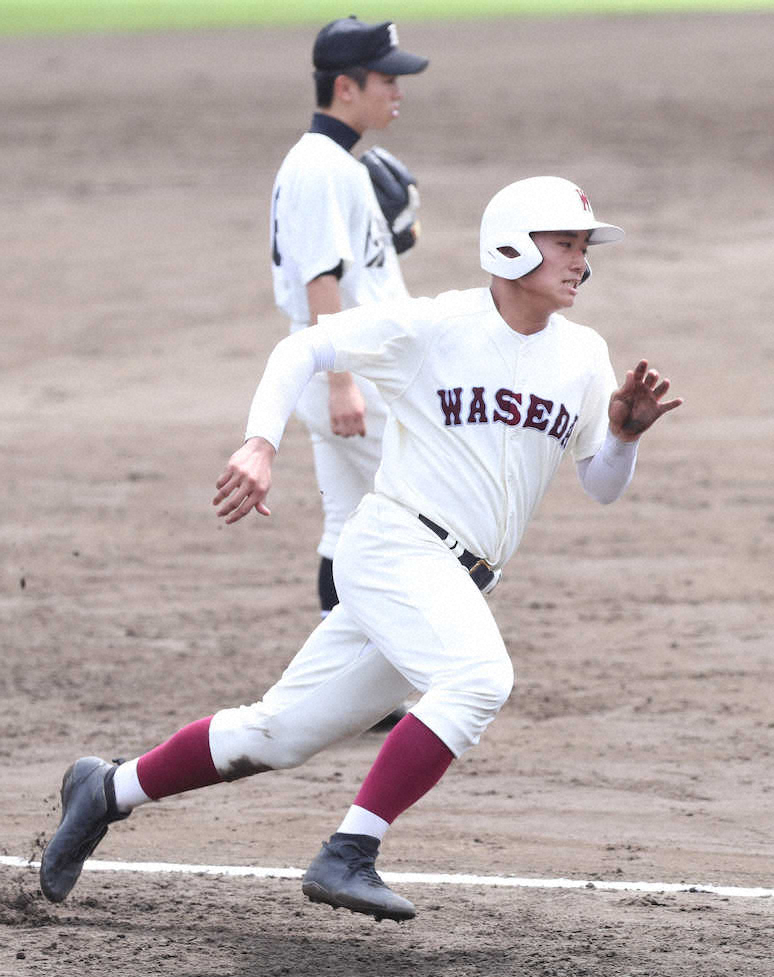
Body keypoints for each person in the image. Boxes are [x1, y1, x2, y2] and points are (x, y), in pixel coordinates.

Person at [39, 176, 683, 923]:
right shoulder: (434, 327)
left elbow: (601, 486)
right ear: (512, 247)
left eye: (584, 247)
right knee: (478, 679)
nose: (581, 260)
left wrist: (625, 437)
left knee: (278, 733)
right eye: (565, 243)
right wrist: (260, 442)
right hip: (396, 548)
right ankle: (351, 850)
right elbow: (303, 348)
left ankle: (105, 790)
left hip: (449, 579)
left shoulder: (583, 355)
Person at [270, 16, 428, 619]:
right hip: (351, 367)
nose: (397, 91)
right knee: (427, 513)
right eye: (386, 80)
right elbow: (320, 280)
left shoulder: (333, 162)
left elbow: (347, 268)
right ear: (346, 87)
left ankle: (340, 666)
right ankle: (401, 656)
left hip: (344, 363)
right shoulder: (321, 167)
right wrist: (342, 384)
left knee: (347, 526)